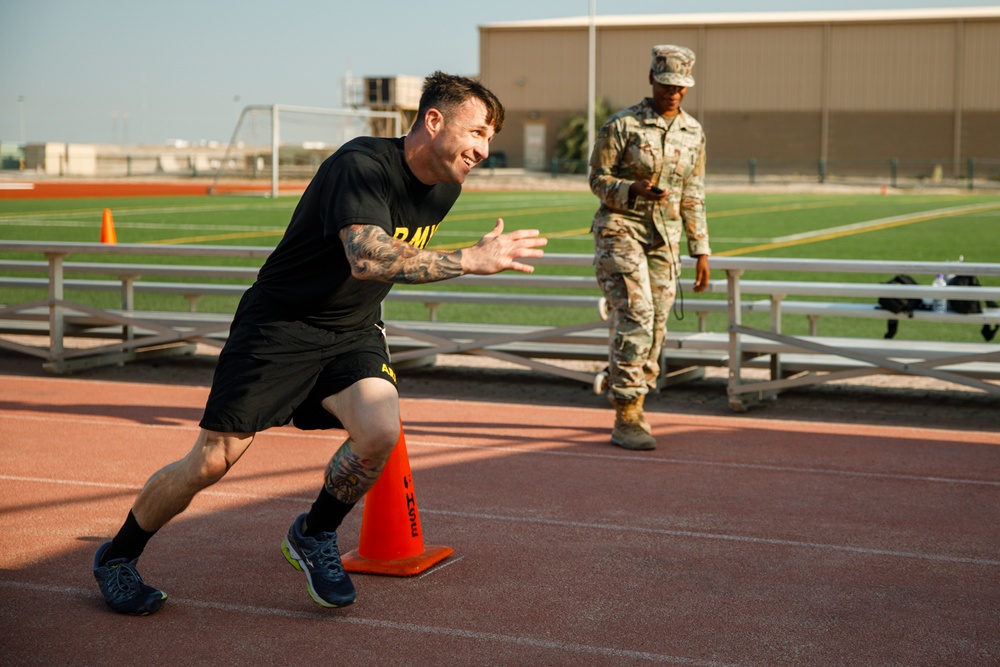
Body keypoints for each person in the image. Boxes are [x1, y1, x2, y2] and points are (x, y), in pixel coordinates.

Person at [92, 71, 546, 615]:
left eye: (490, 138)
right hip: (279, 327)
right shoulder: (360, 164)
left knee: (379, 429)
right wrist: (467, 260)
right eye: (477, 132)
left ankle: (313, 532)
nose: (484, 149)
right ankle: (117, 556)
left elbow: (378, 270)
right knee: (212, 462)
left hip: (351, 330)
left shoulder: (446, 185)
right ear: (434, 120)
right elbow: (366, 256)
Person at [588, 45, 711, 451]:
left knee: (657, 321)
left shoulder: (693, 132)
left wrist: (701, 250)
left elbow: (694, 192)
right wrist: (630, 189)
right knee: (637, 313)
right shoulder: (621, 125)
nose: (673, 92)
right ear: (651, 79)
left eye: (680, 86)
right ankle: (626, 411)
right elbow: (597, 180)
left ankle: (637, 395)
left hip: (666, 237)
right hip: (621, 228)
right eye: (666, 83)